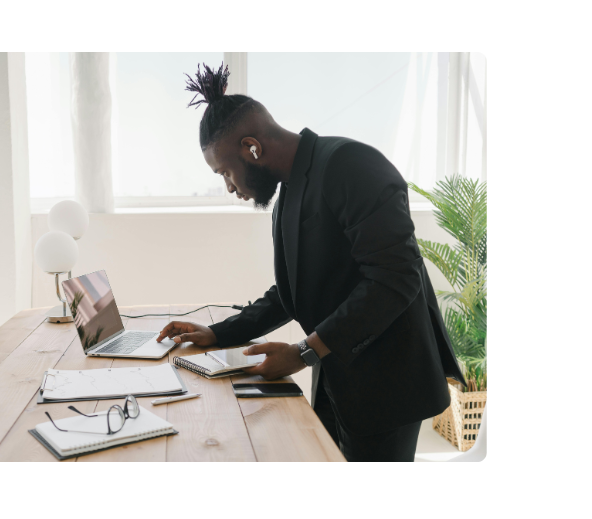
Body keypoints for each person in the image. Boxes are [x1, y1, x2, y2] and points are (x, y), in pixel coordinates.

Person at [156, 63, 465, 462]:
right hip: (337, 374)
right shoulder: (287, 196)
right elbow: (290, 294)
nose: (230, 187)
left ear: (252, 147)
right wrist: (217, 333)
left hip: (388, 384)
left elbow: (394, 278)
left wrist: (304, 352)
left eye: (226, 172)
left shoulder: (351, 164)